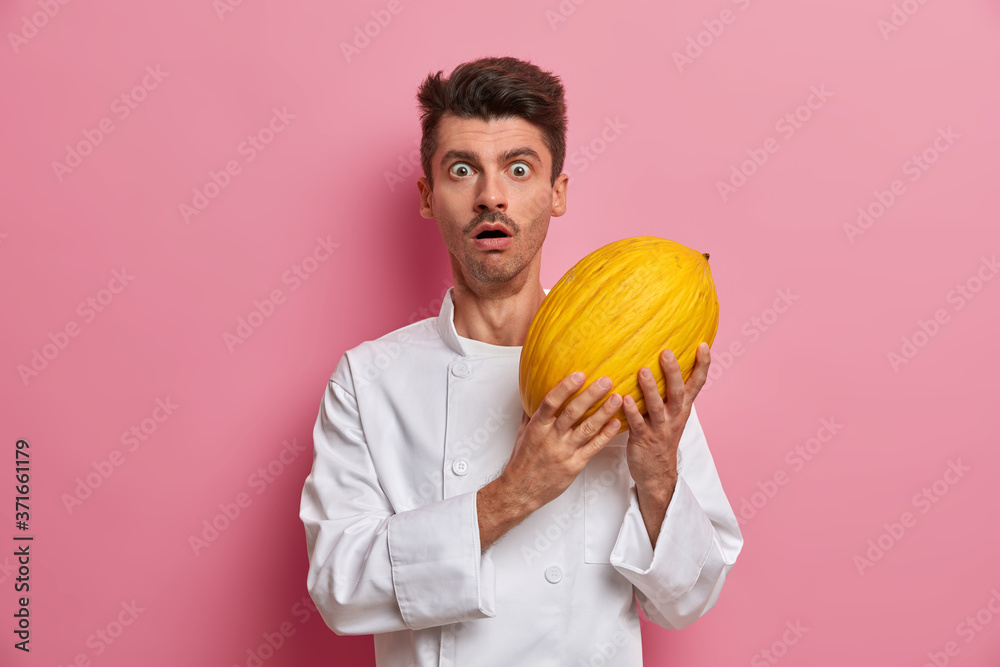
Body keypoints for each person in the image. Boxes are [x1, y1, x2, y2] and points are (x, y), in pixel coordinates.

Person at [299, 55, 743, 666]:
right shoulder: (368, 381)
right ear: (428, 197)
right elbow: (338, 589)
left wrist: (658, 473)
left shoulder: (634, 366)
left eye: (519, 168)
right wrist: (512, 494)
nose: (491, 196)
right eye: (462, 170)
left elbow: (689, 602)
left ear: (557, 193)